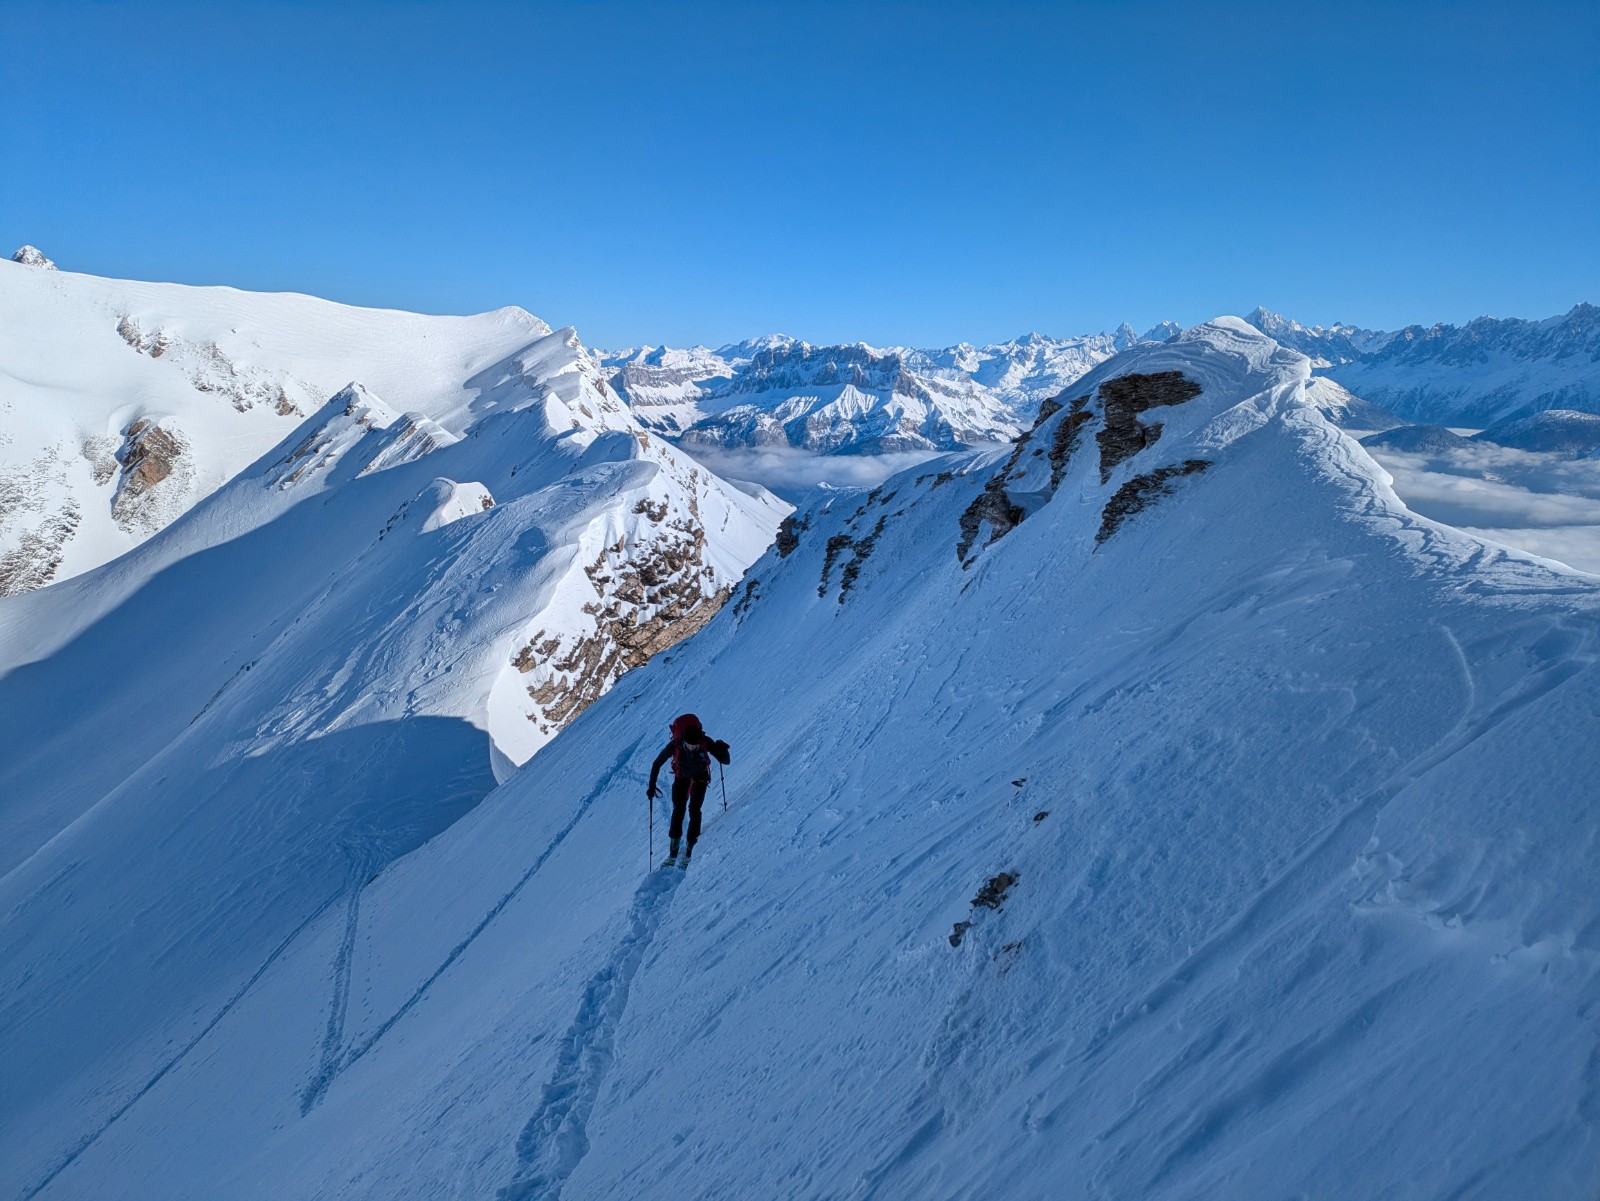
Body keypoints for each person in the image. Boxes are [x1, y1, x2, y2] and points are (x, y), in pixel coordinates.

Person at [647, 713, 730, 865]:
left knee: (694, 809)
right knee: (678, 810)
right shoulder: (675, 745)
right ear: (684, 740)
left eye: (696, 745)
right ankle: (673, 851)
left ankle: (691, 847)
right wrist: (651, 787)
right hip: (681, 777)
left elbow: (725, 761)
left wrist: (722, 750)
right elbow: (656, 763)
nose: (694, 747)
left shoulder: (704, 741)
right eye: (691, 744)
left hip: (700, 777)